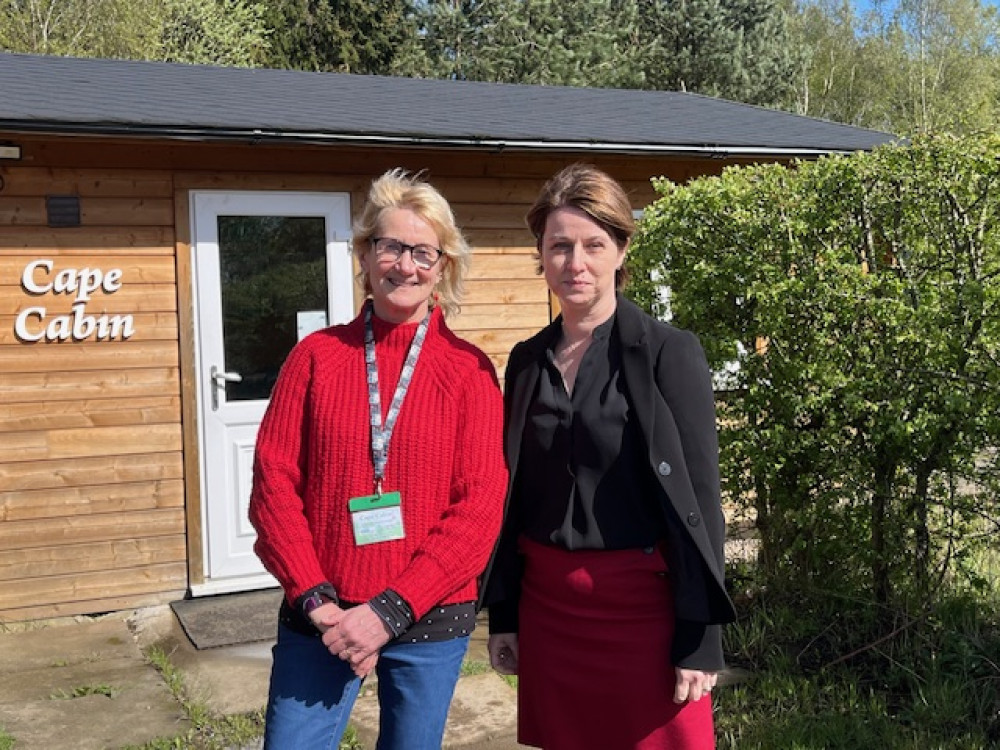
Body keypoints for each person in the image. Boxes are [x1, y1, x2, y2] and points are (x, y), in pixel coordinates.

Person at [249, 168, 508, 750]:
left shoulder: (469, 372)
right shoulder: (315, 358)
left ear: (443, 266)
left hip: (428, 616)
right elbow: (273, 486)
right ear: (365, 254)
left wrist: (389, 610)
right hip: (323, 615)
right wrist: (316, 600)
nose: (405, 265)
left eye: (423, 251)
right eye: (390, 246)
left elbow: (480, 509)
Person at [483, 164, 737, 749]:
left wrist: (700, 640)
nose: (576, 263)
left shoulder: (670, 353)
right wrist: (506, 615)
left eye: (594, 244)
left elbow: (702, 502)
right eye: (559, 246)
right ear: (541, 257)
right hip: (549, 613)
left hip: (645, 615)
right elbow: (515, 496)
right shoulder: (525, 362)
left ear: (622, 251)